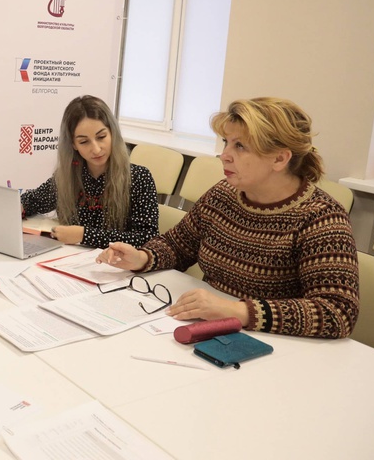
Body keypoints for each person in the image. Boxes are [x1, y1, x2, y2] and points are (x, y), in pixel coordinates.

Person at [98, 97, 359, 339]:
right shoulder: (224, 194)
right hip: (212, 329)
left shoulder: (321, 218)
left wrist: (237, 311)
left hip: (273, 344)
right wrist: (143, 258)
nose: (224, 155)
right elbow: (177, 245)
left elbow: (337, 313)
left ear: (279, 158)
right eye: (226, 142)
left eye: (240, 146)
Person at [21, 95, 158, 248]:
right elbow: (32, 201)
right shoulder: (68, 177)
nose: (96, 149)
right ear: (73, 144)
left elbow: (147, 238)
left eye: (101, 137)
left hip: (116, 261)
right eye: (84, 142)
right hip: (69, 258)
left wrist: (84, 235)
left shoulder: (139, 178)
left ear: (112, 133)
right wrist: (18, 207)